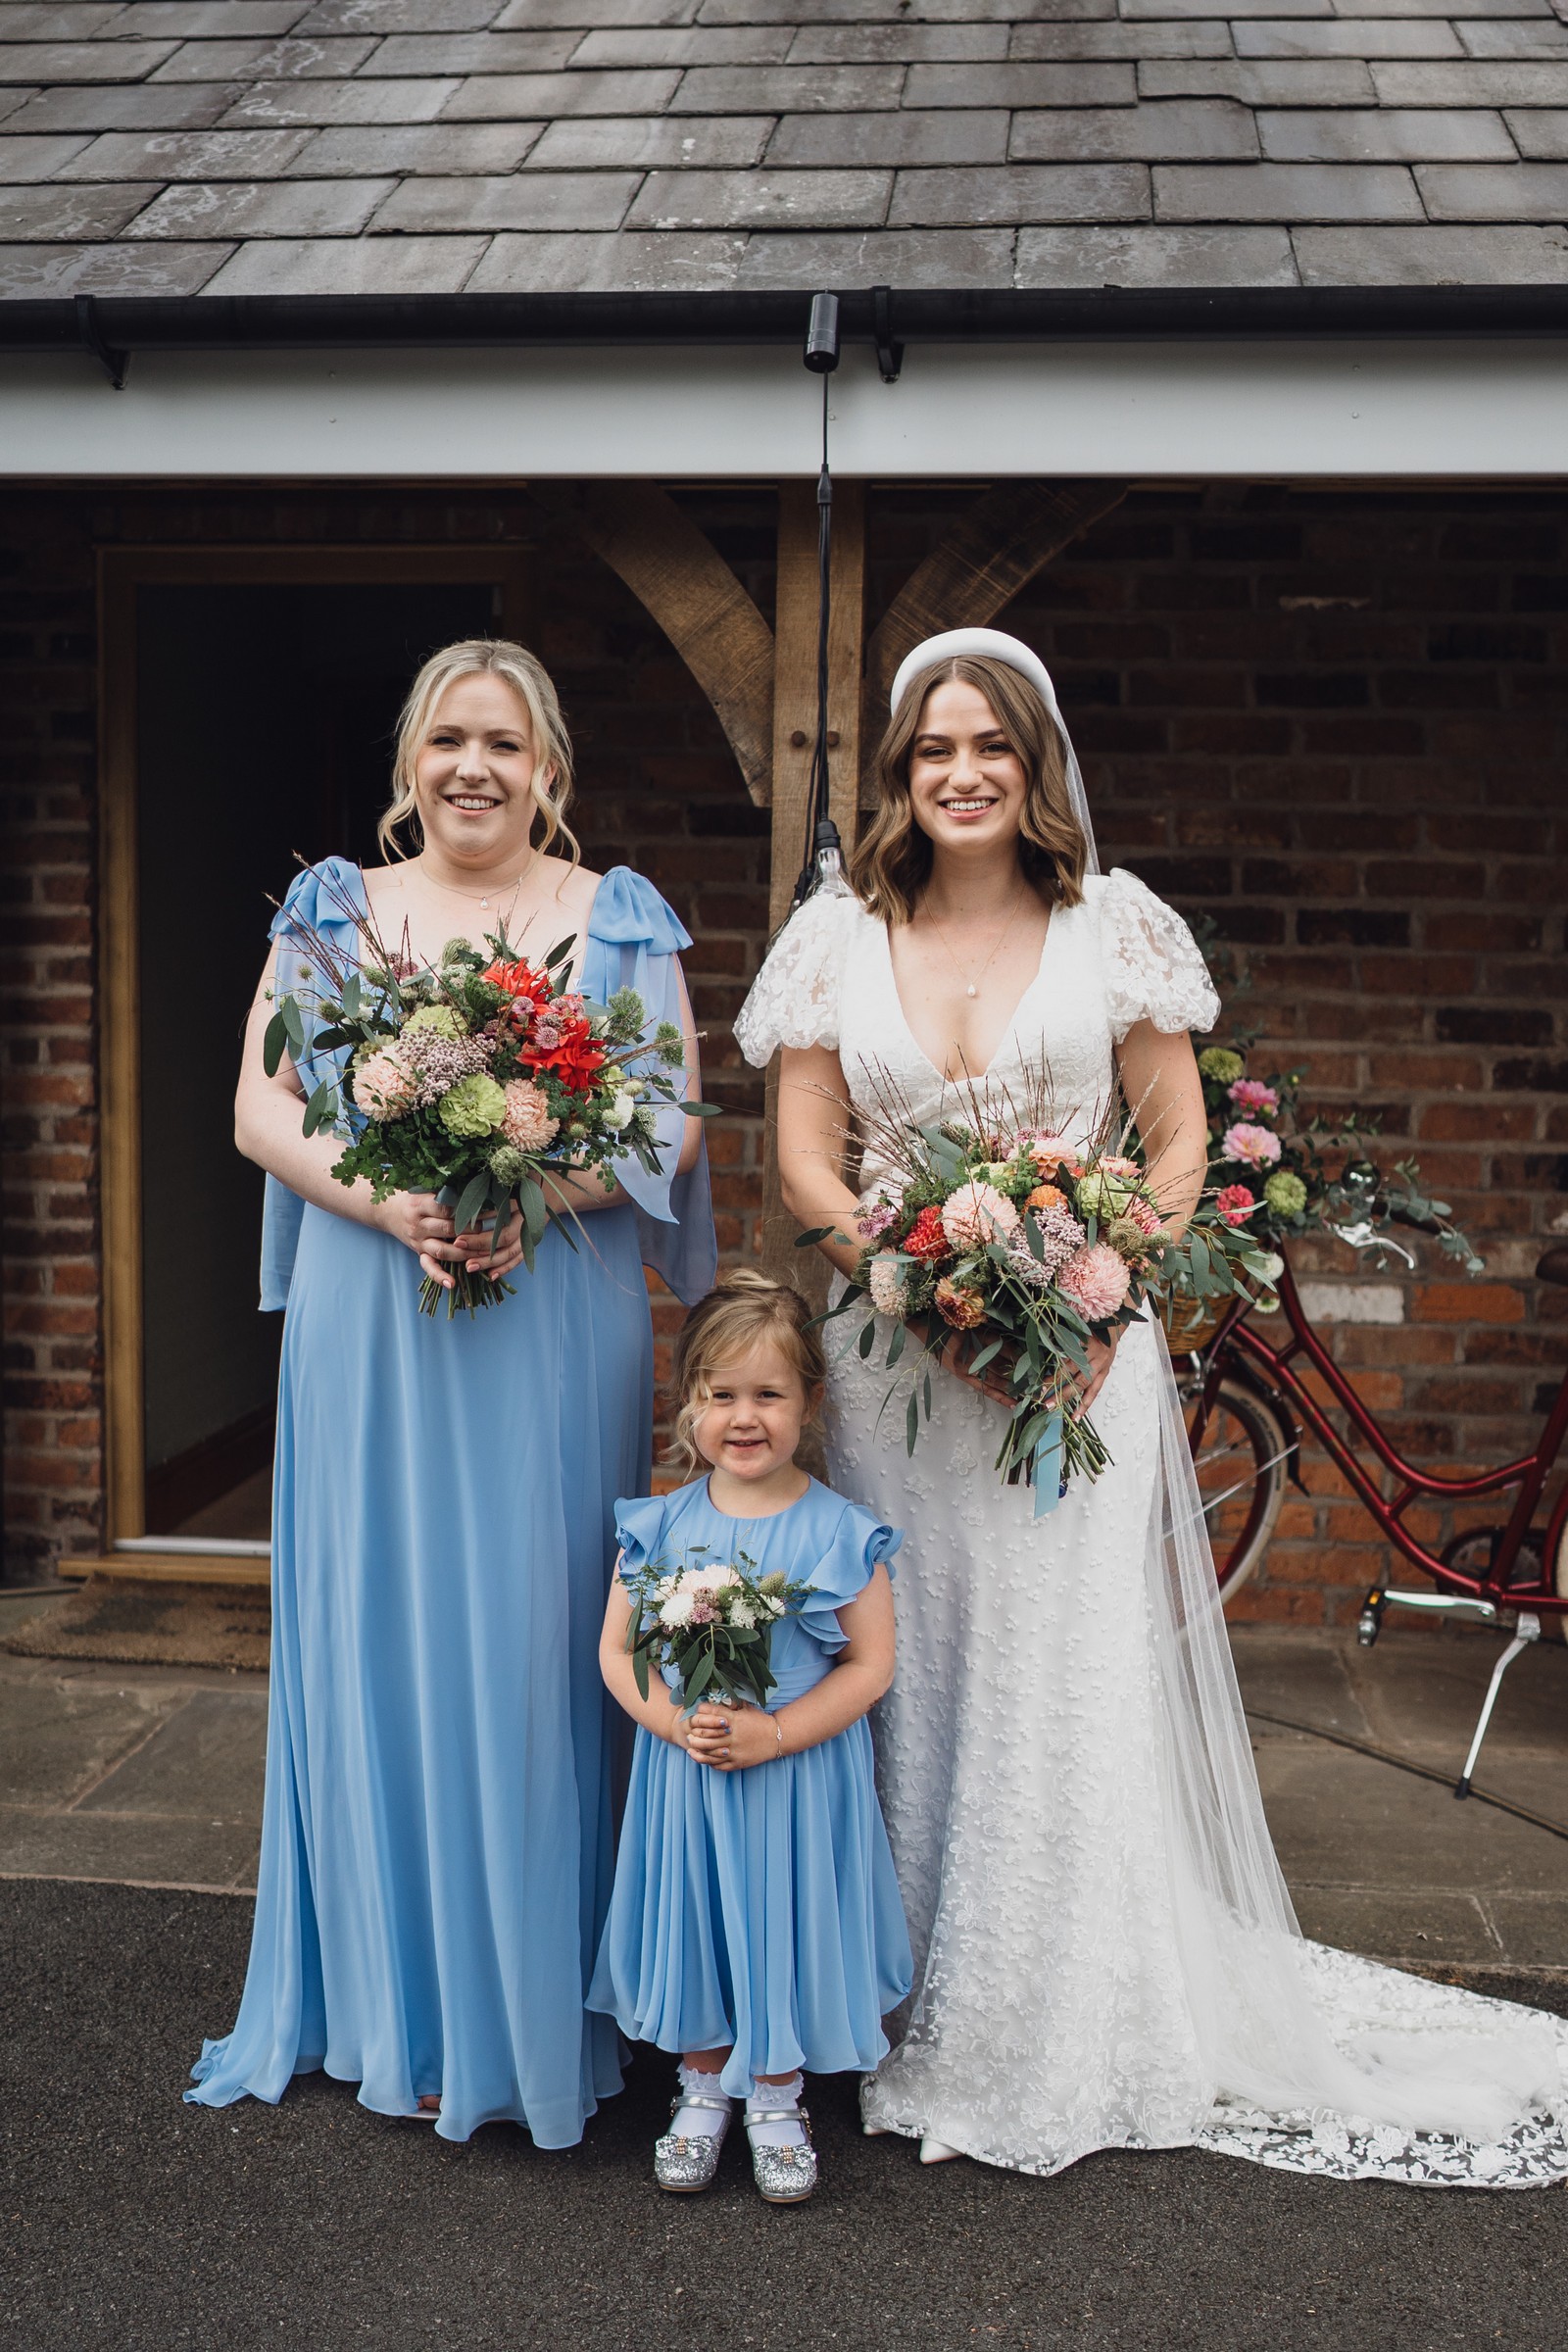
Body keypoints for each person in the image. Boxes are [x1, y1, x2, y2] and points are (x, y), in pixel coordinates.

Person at [735, 625, 1568, 2189]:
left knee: (1055, 1680)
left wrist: (1086, 1284)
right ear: (904, 774)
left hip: (1074, 1367)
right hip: (895, 1370)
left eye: (992, 746)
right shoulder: (837, 940)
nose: (963, 772)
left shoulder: (1111, 926)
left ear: (1035, 769)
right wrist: (916, 1277)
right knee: (905, 1674)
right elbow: (802, 1160)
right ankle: (889, 2002)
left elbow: (1175, 1144)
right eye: (935, 749)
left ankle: (1045, 2027)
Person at [188, 638, 714, 2146]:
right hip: (374, 1310)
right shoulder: (335, 912)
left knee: (536, 1636)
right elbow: (258, 1106)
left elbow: (667, 1123)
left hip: (551, 1319)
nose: (472, 768)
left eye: (503, 742)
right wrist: (389, 1203)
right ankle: (391, 2004)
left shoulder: (618, 919)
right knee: (384, 1629)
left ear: (549, 767)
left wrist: (534, 1192)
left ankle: (538, 2000)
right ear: (410, 764)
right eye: (445, 741)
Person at [588, 1270, 911, 2203]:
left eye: (768, 1394)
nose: (744, 1416)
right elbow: (617, 1651)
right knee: (703, 1918)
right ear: (688, 1402)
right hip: (687, 1774)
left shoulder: (838, 1533)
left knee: (782, 1921)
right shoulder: (659, 1527)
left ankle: (776, 2095)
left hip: (795, 1777)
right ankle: (699, 2089)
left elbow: (868, 1665)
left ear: (809, 1402)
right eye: (720, 1394)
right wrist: (672, 1720)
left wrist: (776, 1733)